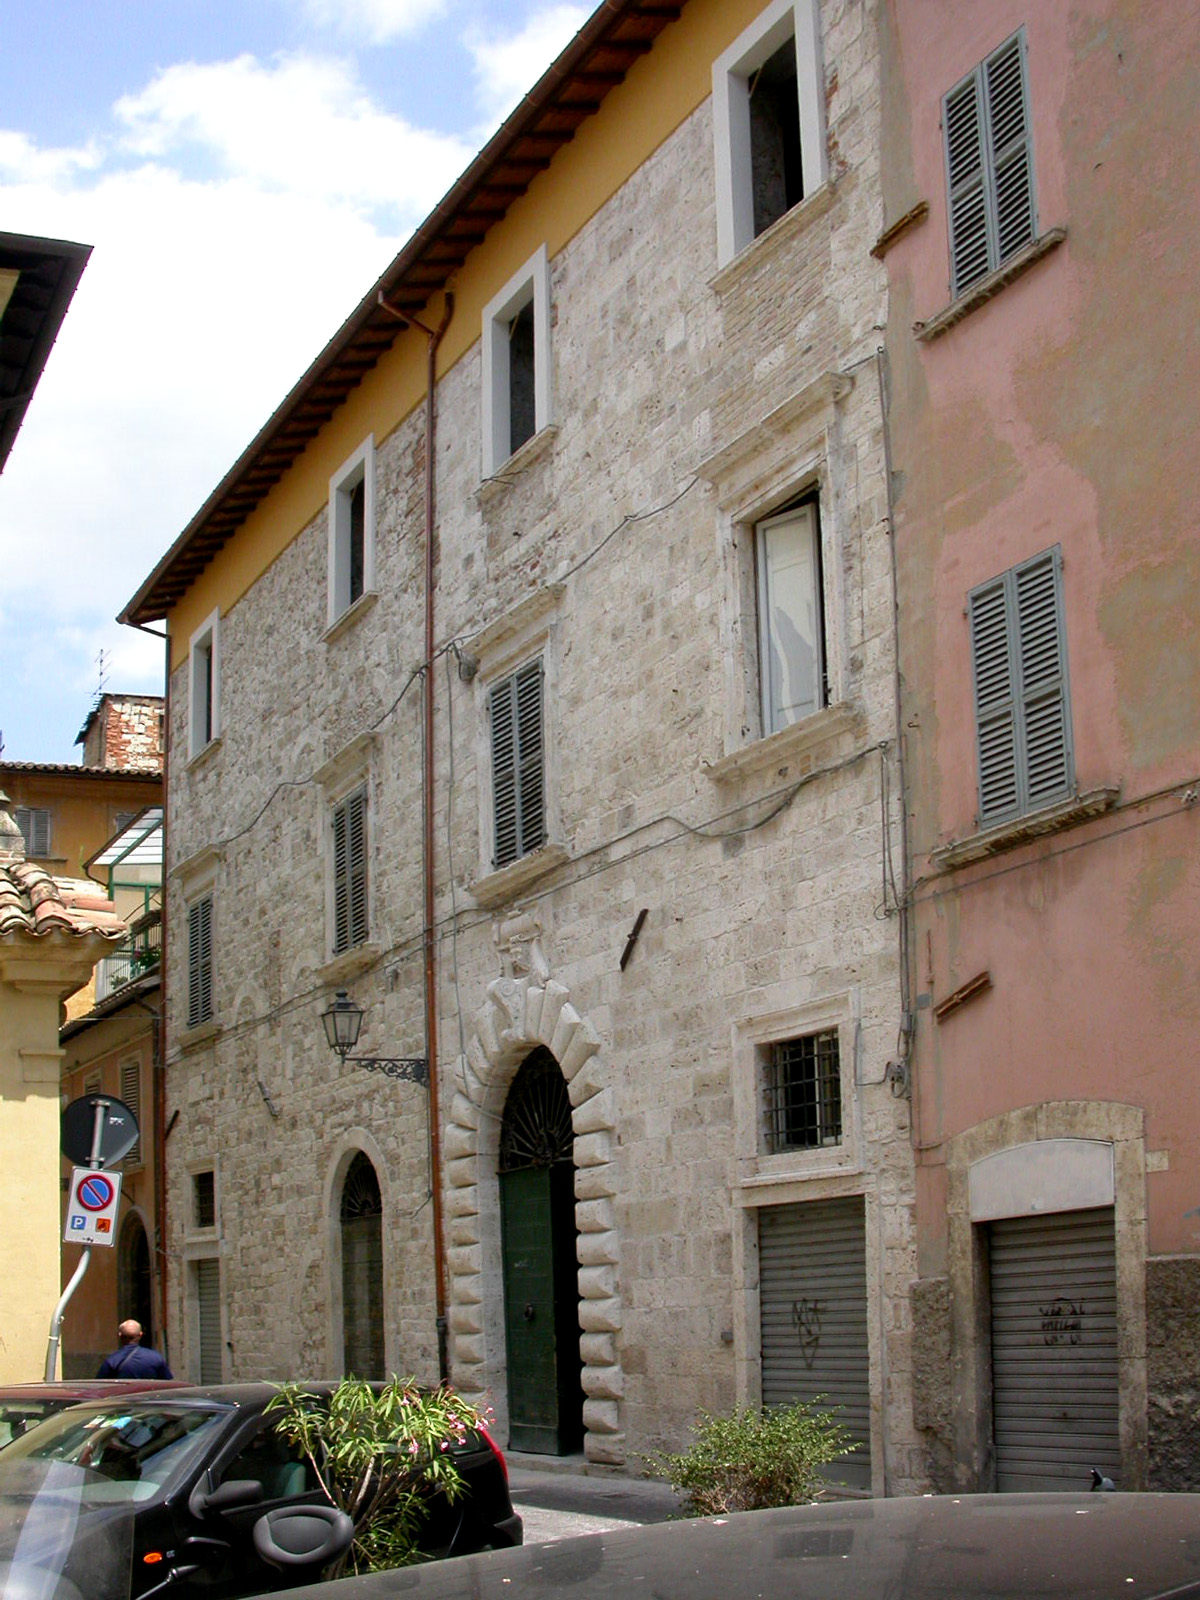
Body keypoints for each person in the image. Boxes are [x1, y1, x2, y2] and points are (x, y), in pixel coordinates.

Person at [96, 1319, 173, 1379]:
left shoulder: (112, 1360)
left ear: (120, 1335)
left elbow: (101, 1385)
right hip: (150, 1399)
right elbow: (167, 1383)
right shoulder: (156, 1358)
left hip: (122, 1399)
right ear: (140, 1335)